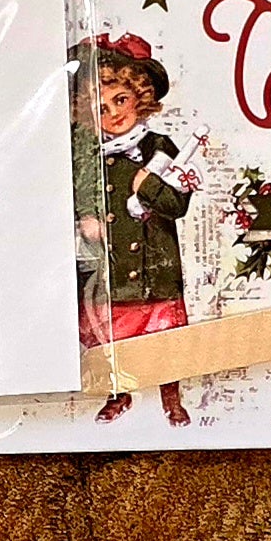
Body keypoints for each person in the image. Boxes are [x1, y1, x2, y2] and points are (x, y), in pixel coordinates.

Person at [74, 34, 196, 426]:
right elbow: (77, 192)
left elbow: (177, 204)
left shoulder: (160, 145)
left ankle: (171, 397)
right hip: (109, 269)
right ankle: (118, 394)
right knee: (111, 337)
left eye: (121, 100)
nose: (113, 114)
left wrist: (147, 185)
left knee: (163, 337)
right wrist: (86, 217)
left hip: (152, 268)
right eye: (102, 107)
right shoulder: (87, 155)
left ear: (139, 97)